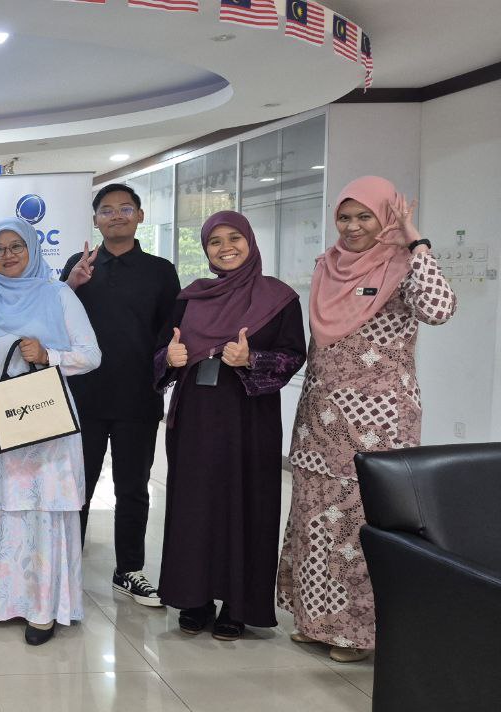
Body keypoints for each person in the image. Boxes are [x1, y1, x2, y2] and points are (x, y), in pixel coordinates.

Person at [277, 176, 456, 662]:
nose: (352, 226)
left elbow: (440, 310)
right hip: (320, 417)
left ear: (385, 218)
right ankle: (316, 622)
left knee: (360, 522)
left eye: (365, 217)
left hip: (380, 423)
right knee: (315, 518)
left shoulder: (403, 264)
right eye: (344, 216)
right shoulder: (326, 266)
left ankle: (356, 633)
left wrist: (416, 240)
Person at [153, 211, 306, 640]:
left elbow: (295, 355)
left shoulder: (278, 298)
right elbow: (161, 351)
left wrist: (252, 359)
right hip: (196, 418)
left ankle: (237, 605)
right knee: (194, 505)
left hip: (248, 420)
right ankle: (194, 597)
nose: (225, 248)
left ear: (250, 241)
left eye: (233, 238)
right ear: (205, 250)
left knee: (246, 504)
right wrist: (170, 359)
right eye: (214, 241)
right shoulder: (190, 298)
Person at [0, 219, 101, 645]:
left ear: (33, 249)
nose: (9, 255)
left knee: (43, 511)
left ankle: (43, 610)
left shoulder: (59, 294)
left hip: (44, 423)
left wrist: (48, 354)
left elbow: (92, 355)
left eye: (17, 246)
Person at [59, 183, 180, 606]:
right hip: (82, 398)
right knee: (77, 486)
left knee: (133, 488)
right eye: (106, 210)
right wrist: (71, 285)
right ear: (95, 220)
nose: (116, 216)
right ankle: (65, 566)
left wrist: (166, 372)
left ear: (140, 216)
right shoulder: (79, 265)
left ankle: (128, 569)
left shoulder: (161, 271)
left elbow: (171, 332)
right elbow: (54, 323)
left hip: (137, 399)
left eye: (125, 209)